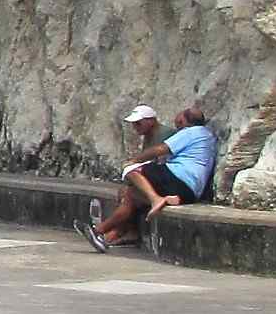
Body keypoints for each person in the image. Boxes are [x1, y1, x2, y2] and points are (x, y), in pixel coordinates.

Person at [86, 104, 211, 248]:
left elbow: (160, 150)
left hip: (179, 179)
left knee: (131, 170)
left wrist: (134, 161)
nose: (135, 127)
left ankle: (155, 200)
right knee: (131, 194)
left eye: (138, 123)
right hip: (189, 190)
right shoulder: (206, 135)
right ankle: (100, 233)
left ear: (185, 122)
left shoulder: (189, 133)